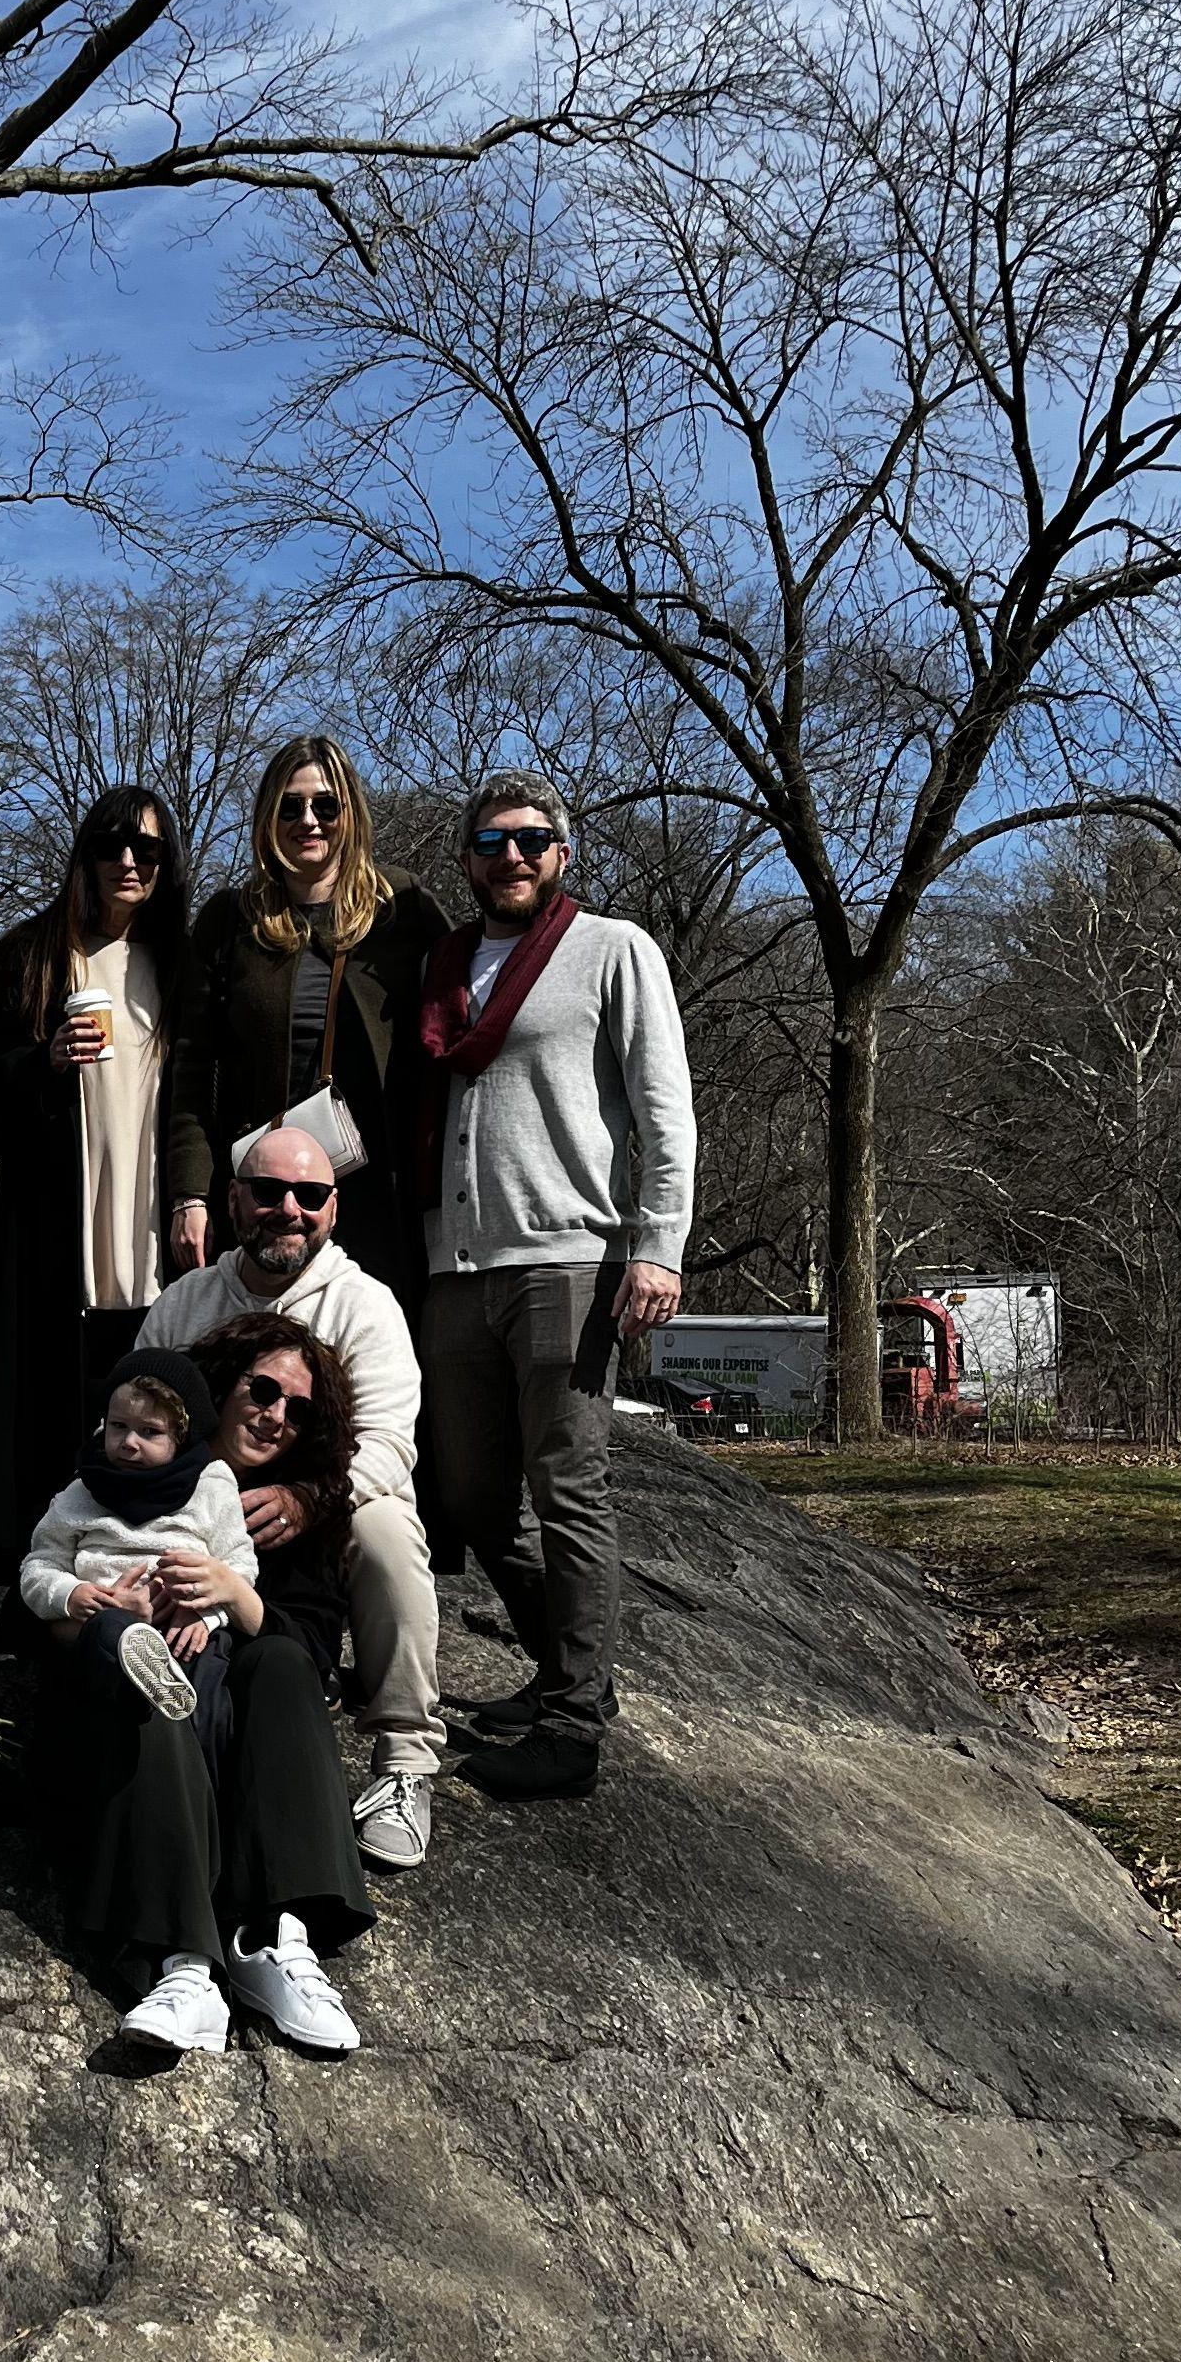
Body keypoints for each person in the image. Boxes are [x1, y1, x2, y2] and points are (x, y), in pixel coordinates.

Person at [413, 771, 695, 1802]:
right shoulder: (444, 963)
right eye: (490, 842)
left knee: (567, 1488)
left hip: (568, 1257)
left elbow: (666, 1111)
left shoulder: (613, 951)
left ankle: (574, 1723)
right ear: (469, 859)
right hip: (456, 1263)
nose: (512, 857)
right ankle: (568, 1671)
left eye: (532, 839)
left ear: (562, 853)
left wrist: (657, 1245)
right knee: (474, 1498)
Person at [15, 1340, 370, 2063]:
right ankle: (183, 1963)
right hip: (114, 1717)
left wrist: (228, 1598)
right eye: (262, 1390)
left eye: (297, 1409)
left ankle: (273, 1938)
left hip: (218, 1704)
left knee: (279, 1661)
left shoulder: (296, 1519)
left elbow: (311, 1649)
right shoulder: (89, 1488)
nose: (275, 1415)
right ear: (222, 1394)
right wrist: (92, 1607)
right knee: (143, 1678)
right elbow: (25, 1595)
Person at [129, 1119, 447, 1866]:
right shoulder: (185, 1301)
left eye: (311, 1194)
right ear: (235, 1201)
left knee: (389, 1532)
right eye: (269, 1191)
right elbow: (136, 1407)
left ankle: (405, 1760)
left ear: (334, 1208)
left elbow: (391, 1442)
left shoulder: (364, 1305)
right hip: (198, 1508)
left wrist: (310, 1498)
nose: (290, 1209)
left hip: (318, 1505)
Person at [0, 783, 212, 1583]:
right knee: (40, 1402)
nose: (129, 863)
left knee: (139, 1407)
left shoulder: (184, 966)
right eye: (112, 846)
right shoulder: (30, 955)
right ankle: (29, 1573)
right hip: (51, 1222)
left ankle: (132, 1568)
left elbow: (209, 1093)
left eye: (149, 850)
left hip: (153, 1219)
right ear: (86, 857)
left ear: (169, 866)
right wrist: (43, 1062)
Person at [165, 731, 449, 1303]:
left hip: (376, 1193)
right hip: (266, 1197)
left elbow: (459, 1018)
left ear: (351, 813)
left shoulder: (403, 907)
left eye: (326, 805)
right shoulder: (231, 920)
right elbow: (191, 1069)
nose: (309, 820)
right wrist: (190, 1195)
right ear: (269, 817)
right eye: (290, 806)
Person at [15, 1352, 257, 1722]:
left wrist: (207, 1616)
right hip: (104, 1627)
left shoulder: (210, 1485)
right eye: (118, 1426)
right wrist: (70, 1594)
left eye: (150, 1432)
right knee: (111, 1637)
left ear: (181, 1436)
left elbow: (240, 1566)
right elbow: (40, 1564)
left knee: (207, 1682)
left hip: (184, 1628)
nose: (129, 1442)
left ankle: (200, 1765)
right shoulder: (84, 1489)